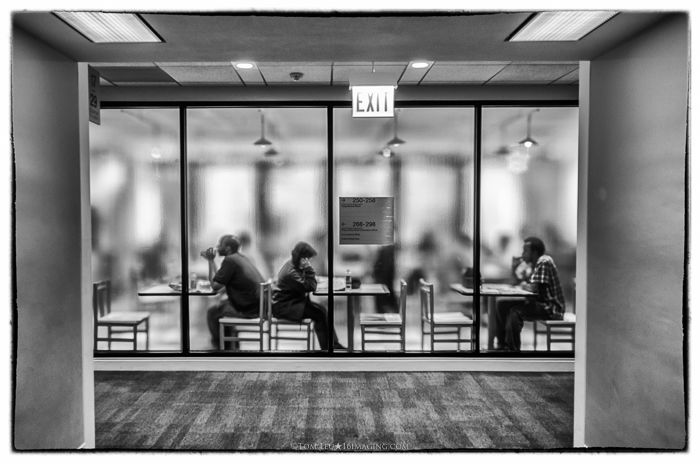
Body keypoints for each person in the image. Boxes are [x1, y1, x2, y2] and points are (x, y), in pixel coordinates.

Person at [493, 236, 565, 351]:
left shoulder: (544, 261)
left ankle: (513, 350)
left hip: (551, 308)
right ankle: (502, 345)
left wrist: (523, 284)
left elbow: (533, 288)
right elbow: (514, 282)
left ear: (535, 252)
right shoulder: (533, 265)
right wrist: (514, 268)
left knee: (515, 312)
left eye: (525, 250)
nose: (522, 254)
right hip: (539, 303)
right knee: (501, 304)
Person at [272, 241, 344, 350]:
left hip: (290, 302)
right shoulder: (291, 272)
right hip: (285, 307)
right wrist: (310, 270)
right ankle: (327, 348)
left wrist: (309, 274)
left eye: (308, 259)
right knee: (319, 314)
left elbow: (307, 284)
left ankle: (334, 344)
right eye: (304, 259)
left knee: (322, 310)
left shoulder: (291, 264)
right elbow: (310, 287)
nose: (307, 262)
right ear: (298, 257)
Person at [201, 234, 265, 349]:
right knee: (222, 305)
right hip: (258, 306)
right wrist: (212, 261)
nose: (217, 247)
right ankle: (231, 345)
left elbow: (215, 286)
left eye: (220, 245)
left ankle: (220, 347)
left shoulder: (230, 260)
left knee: (213, 312)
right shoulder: (240, 258)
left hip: (248, 310)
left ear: (228, 248)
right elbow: (220, 281)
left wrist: (210, 261)